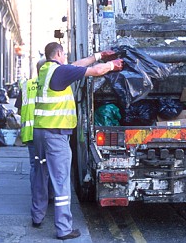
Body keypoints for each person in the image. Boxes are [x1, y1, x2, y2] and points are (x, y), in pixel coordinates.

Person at [32, 42, 122, 240]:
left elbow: (78, 65)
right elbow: (94, 71)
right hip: (55, 135)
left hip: (39, 133)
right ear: (59, 53)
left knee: (40, 173)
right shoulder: (60, 71)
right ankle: (64, 229)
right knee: (61, 181)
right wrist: (112, 65)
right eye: (64, 55)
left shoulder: (46, 70)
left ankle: (37, 216)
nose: (66, 58)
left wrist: (98, 55)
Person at [15, 58, 51, 217]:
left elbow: (18, 110)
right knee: (50, 165)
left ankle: (36, 197)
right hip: (47, 131)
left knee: (35, 166)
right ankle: (49, 196)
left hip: (30, 134)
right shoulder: (52, 84)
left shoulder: (26, 85)